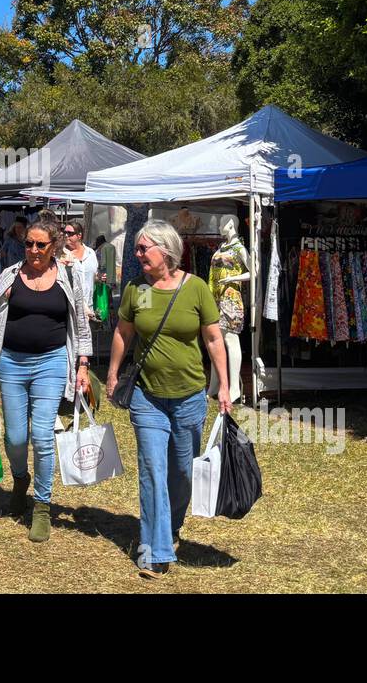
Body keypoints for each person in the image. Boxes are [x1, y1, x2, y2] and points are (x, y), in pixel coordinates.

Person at [106, 219, 231, 579]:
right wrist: (113, 373)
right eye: (138, 248)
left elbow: (212, 339)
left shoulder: (195, 289)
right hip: (147, 397)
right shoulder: (137, 289)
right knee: (152, 470)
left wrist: (222, 385)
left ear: (167, 251)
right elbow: (123, 331)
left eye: (145, 248)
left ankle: (171, 525)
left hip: (189, 397)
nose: (138, 253)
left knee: (181, 471)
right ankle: (155, 549)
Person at [0, 218, 93, 543]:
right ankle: (20, 479)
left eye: (41, 245)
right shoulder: (10, 275)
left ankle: (42, 505)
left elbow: (80, 320)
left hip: (51, 362)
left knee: (42, 434)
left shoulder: (68, 275)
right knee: (16, 438)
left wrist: (82, 363)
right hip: (11, 362)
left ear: (54, 247)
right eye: (29, 244)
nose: (33, 250)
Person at [61, 219, 100, 296]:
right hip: (70, 303)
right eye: (65, 232)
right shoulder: (61, 254)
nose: (66, 235)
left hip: (89, 303)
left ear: (79, 235)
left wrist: (100, 278)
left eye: (70, 233)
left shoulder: (90, 253)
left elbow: (94, 275)